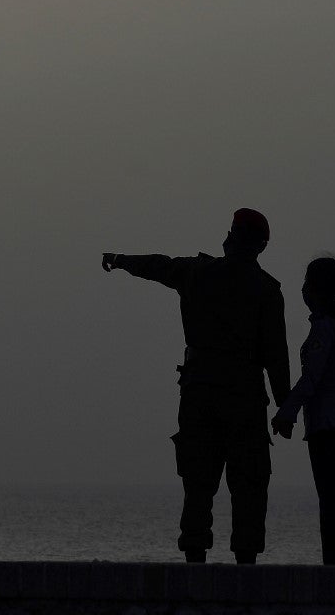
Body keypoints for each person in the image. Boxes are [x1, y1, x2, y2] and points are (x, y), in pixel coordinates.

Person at [101, 208, 290, 564]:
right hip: (244, 398)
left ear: (233, 237)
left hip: (200, 393)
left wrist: (120, 260)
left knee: (198, 482)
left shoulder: (198, 273)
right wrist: (285, 407)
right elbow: (276, 357)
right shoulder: (267, 292)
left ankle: (195, 560)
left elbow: (159, 266)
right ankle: (245, 564)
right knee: (248, 484)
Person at [271, 257, 335, 565]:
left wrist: (286, 412)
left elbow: (312, 379)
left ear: (312, 288)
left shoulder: (325, 328)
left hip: (327, 424)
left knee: (332, 501)